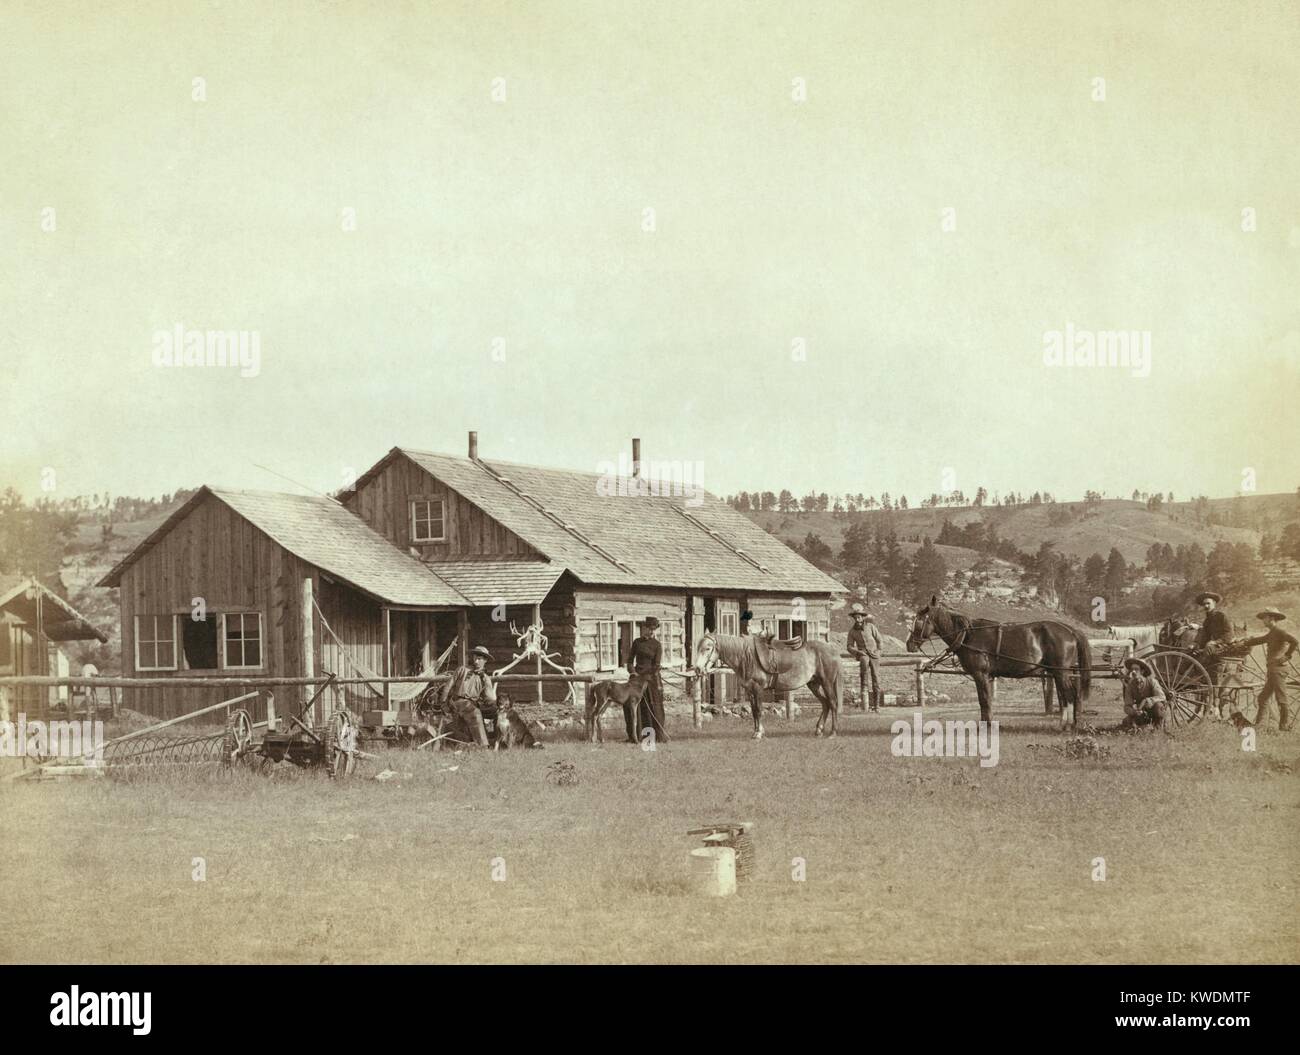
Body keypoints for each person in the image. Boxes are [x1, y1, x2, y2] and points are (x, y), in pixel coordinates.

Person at [1242, 608, 1297, 731]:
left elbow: (1294, 641)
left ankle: (1284, 727)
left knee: (1281, 698)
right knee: (1262, 698)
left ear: (1271, 618)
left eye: (1264, 618)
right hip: (1273, 670)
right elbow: (1260, 640)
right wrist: (1245, 642)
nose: (1263, 621)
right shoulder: (1272, 633)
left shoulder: (1279, 631)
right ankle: (1259, 725)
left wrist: (1287, 656)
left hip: (1278, 670)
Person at [439, 645, 496, 746]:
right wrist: (443, 703)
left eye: (479, 659)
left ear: (485, 660)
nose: (476, 661)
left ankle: (496, 741)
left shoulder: (485, 678)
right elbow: (448, 686)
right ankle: (483, 746)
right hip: (459, 702)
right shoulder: (462, 670)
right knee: (475, 712)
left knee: (496, 713)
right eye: (475, 658)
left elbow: (490, 699)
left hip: (473, 704)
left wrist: (486, 682)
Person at [1192, 591, 1234, 716]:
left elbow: (1229, 634)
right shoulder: (1207, 620)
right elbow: (1203, 637)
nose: (1206, 606)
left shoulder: (1221, 616)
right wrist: (1195, 644)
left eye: (1208, 603)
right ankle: (1196, 673)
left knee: (1208, 650)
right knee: (1193, 651)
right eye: (1204, 604)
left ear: (1214, 603)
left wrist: (1216, 642)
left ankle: (1198, 672)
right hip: (1211, 647)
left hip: (1222, 646)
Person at [626, 616, 667, 743]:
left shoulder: (657, 645)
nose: (651, 632)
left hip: (651, 679)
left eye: (654, 630)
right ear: (644, 628)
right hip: (636, 679)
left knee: (652, 706)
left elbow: (656, 665)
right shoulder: (636, 642)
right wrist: (633, 672)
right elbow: (629, 661)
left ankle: (654, 736)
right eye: (649, 629)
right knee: (632, 706)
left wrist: (647, 676)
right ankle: (635, 736)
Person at [847, 604, 883, 712]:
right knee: (864, 678)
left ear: (863, 617)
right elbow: (849, 646)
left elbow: (880, 640)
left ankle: (877, 706)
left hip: (874, 655)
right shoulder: (852, 631)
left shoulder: (871, 627)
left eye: (859, 617)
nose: (857, 619)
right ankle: (865, 706)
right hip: (863, 655)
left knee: (876, 679)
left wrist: (879, 652)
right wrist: (857, 652)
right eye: (855, 617)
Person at [1120, 657, 1167, 729]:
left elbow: (1162, 696)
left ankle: (1158, 727)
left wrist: (1148, 700)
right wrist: (1134, 712)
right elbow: (1127, 706)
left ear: (1142, 671)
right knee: (1126, 722)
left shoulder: (1151, 681)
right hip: (1141, 712)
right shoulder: (1130, 685)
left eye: (1136, 669)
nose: (1133, 672)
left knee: (1158, 706)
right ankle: (1142, 727)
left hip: (1153, 709)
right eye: (1132, 669)